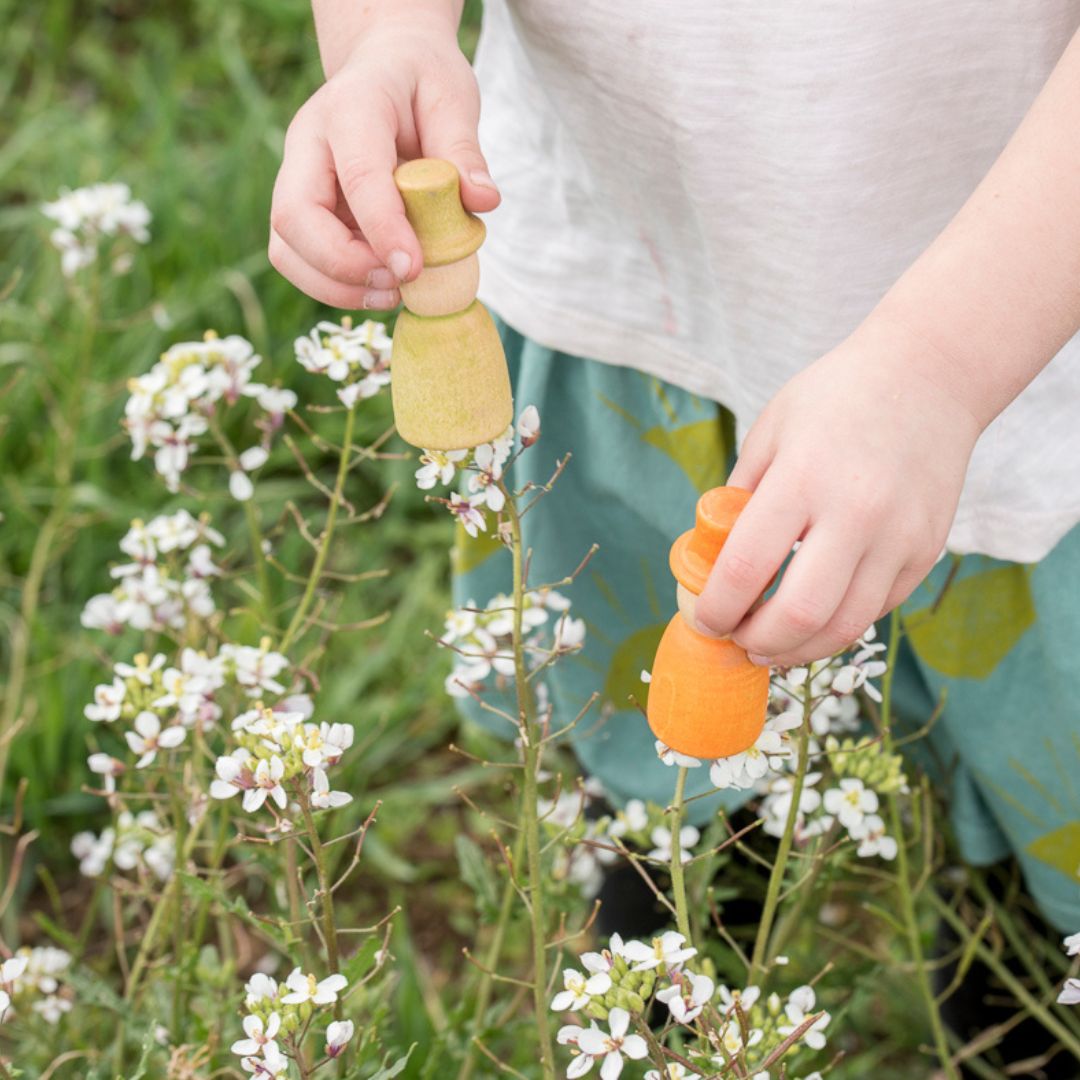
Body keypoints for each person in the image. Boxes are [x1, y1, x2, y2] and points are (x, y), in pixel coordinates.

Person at [269, 1, 1080, 949]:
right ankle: (672, 935)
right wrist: (385, 39)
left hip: (1017, 341)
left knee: (1030, 838)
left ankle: (1009, 961)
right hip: (617, 285)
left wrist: (940, 367)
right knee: (662, 806)